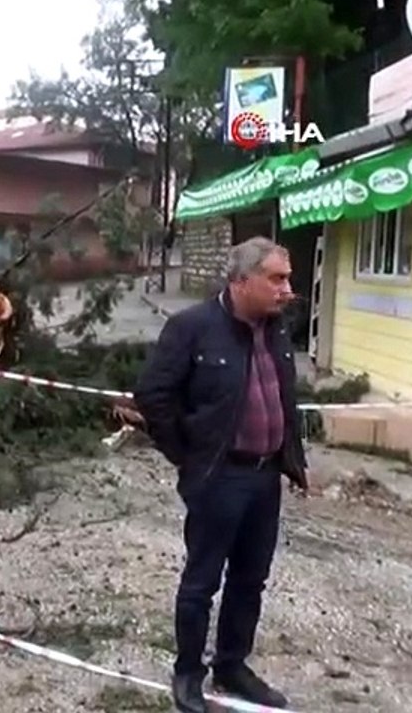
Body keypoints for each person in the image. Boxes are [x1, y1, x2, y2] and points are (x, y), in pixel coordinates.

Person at [133, 236, 309, 713]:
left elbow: (283, 401)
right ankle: (188, 674)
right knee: (201, 582)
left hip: (264, 477)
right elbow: (153, 395)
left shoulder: (276, 330)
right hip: (218, 477)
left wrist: (292, 459)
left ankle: (232, 665)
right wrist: (187, 456)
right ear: (241, 281)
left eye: (287, 278)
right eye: (276, 278)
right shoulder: (192, 328)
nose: (286, 289)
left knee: (251, 579)